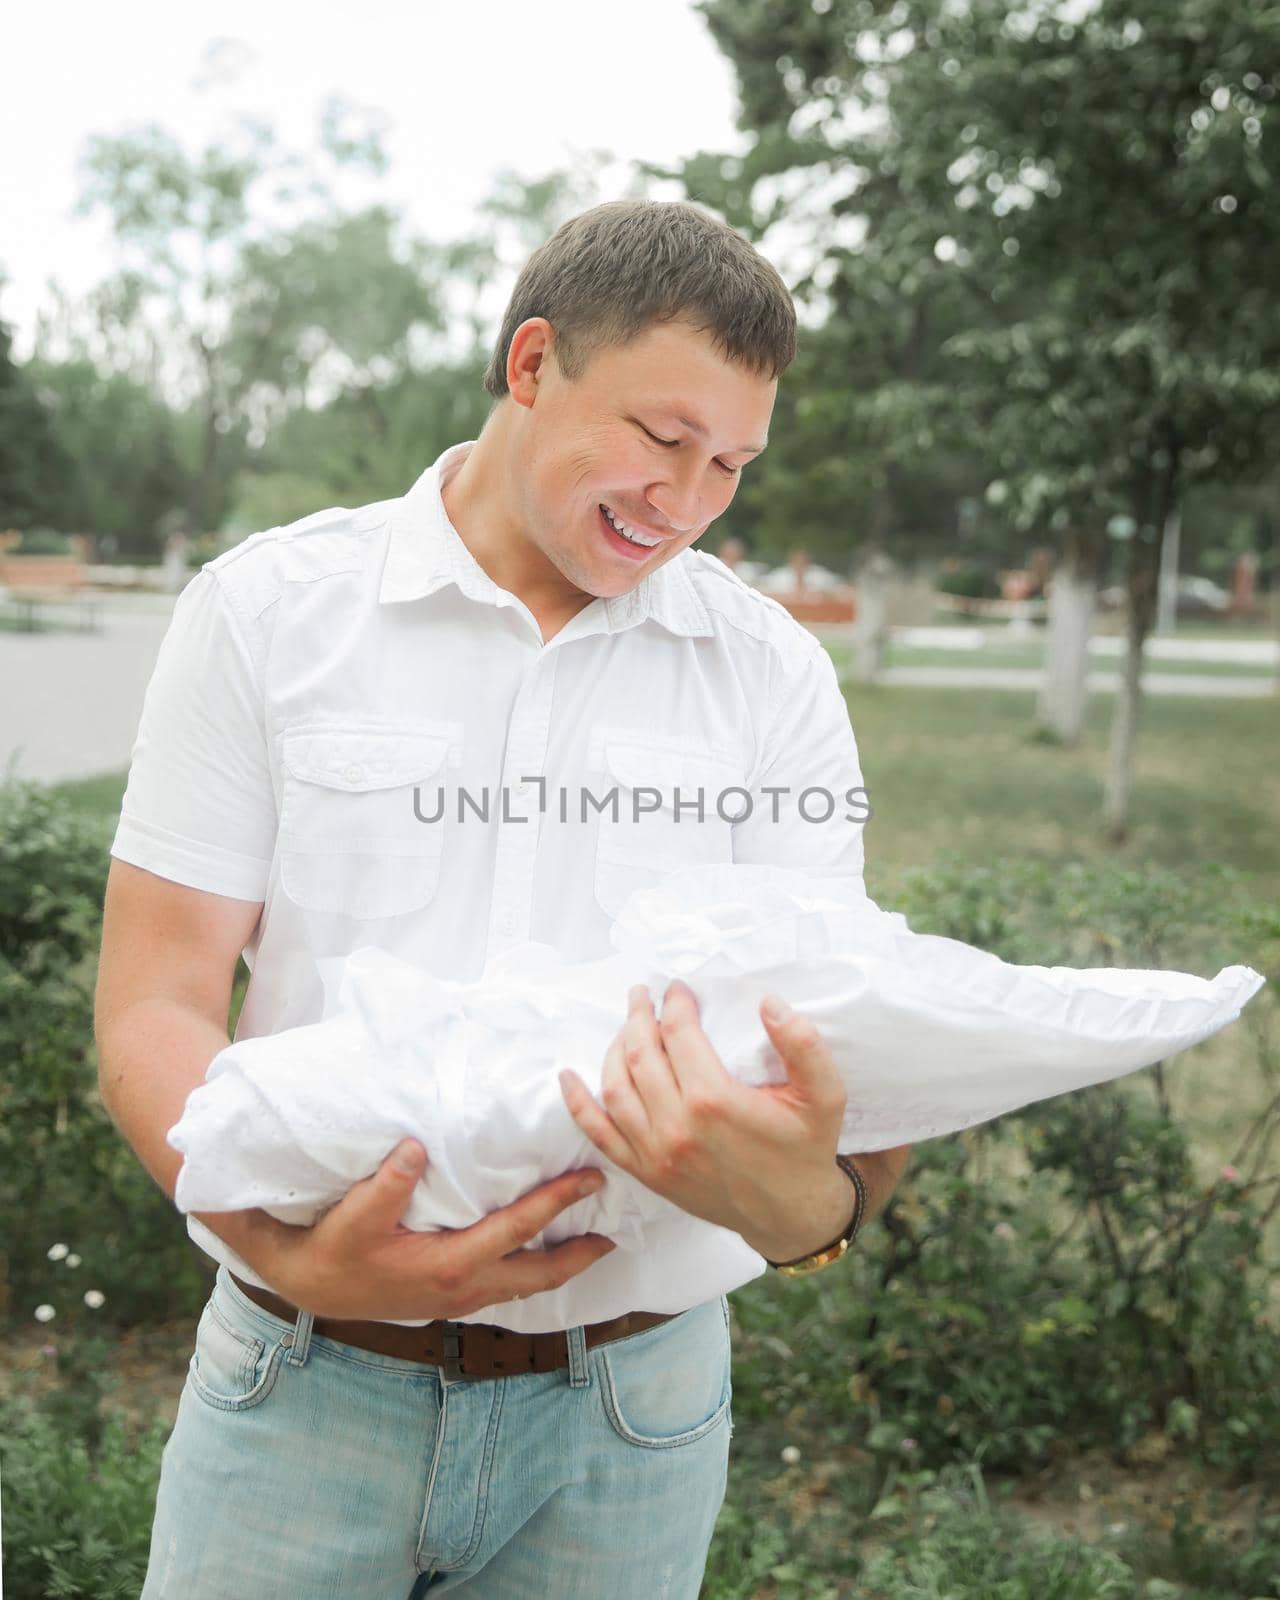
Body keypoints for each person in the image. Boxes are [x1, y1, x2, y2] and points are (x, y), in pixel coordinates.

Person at [95, 199, 913, 1599]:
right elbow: (159, 997)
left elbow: (823, 1039)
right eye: (664, 440)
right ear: (532, 364)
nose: (692, 501)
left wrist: (816, 1212)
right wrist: (286, 1248)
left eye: (732, 463)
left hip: (631, 1423)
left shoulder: (770, 677)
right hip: (304, 1382)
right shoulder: (266, 613)